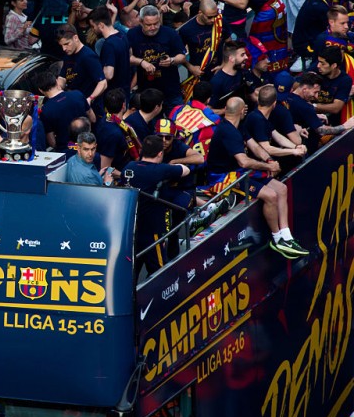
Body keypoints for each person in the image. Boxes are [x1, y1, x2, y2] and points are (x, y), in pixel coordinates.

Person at [205, 97, 309, 258]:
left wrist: (269, 160)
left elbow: (254, 145)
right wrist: (268, 167)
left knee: (281, 188)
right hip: (223, 177)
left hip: (238, 171)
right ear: (242, 111)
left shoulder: (239, 126)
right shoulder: (227, 131)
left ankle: (286, 236)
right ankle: (277, 239)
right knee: (270, 195)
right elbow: (244, 161)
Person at [125, 135, 191, 276]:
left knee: (132, 271)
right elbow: (186, 170)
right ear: (160, 153)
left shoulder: (129, 168)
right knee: (159, 271)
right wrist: (170, 166)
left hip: (132, 229)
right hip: (153, 230)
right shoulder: (160, 170)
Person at [128, 5, 187, 112]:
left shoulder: (170, 33)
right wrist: (141, 62)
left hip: (170, 90)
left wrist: (172, 60)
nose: (153, 27)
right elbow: (128, 57)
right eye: (148, 25)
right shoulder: (132, 34)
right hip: (147, 91)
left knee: (178, 121)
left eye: (156, 23)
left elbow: (182, 56)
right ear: (141, 22)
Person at [242, 85, 307, 161]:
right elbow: (267, 148)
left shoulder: (263, 116)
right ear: (274, 103)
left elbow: (277, 136)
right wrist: (293, 151)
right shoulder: (257, 119)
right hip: (255, 162)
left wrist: (296, 147)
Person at [56, 24, 107, 111]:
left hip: (89, 108)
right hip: (74, 103)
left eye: (67, 44)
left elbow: (103, 83)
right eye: (61, 46)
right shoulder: (68, 54)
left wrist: (90, 99)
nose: (64, 48)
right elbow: (62, 76)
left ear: (75, 38)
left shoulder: (88, 56)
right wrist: (57, 90)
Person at [38, 71, 90, 151]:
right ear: (56, 81)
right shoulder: (77, 94)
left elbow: (52, 142)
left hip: (66, 150)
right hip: (87, 144)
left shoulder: (45, 110)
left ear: (41, 90)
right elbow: (93, 118)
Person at [89, 5, 132, 98]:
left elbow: (108, 74)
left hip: (113, 95)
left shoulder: (108, 44)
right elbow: (130, 55)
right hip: (125, 91)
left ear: (100, 25)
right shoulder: (122, 36)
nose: (93, 29)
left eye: (93, 26)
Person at [94, 88, 139, 171]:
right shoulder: (113, 133)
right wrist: (123, 175)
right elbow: (104, 167)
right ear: (123, 105)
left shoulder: (105, 119)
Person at [209, 40, 248, 114]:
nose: (246, 57)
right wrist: (226, 111)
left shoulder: (241, 72)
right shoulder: (217, 82)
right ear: (231, 58)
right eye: (242, 55)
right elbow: (208, 110)